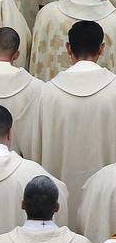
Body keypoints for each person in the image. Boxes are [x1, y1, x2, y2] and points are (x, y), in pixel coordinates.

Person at [35, 20, 116, 213]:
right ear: (102, 48)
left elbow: (36, 150)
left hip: (57, 201)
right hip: (109, 199)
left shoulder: (48, 93)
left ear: (68, 48)